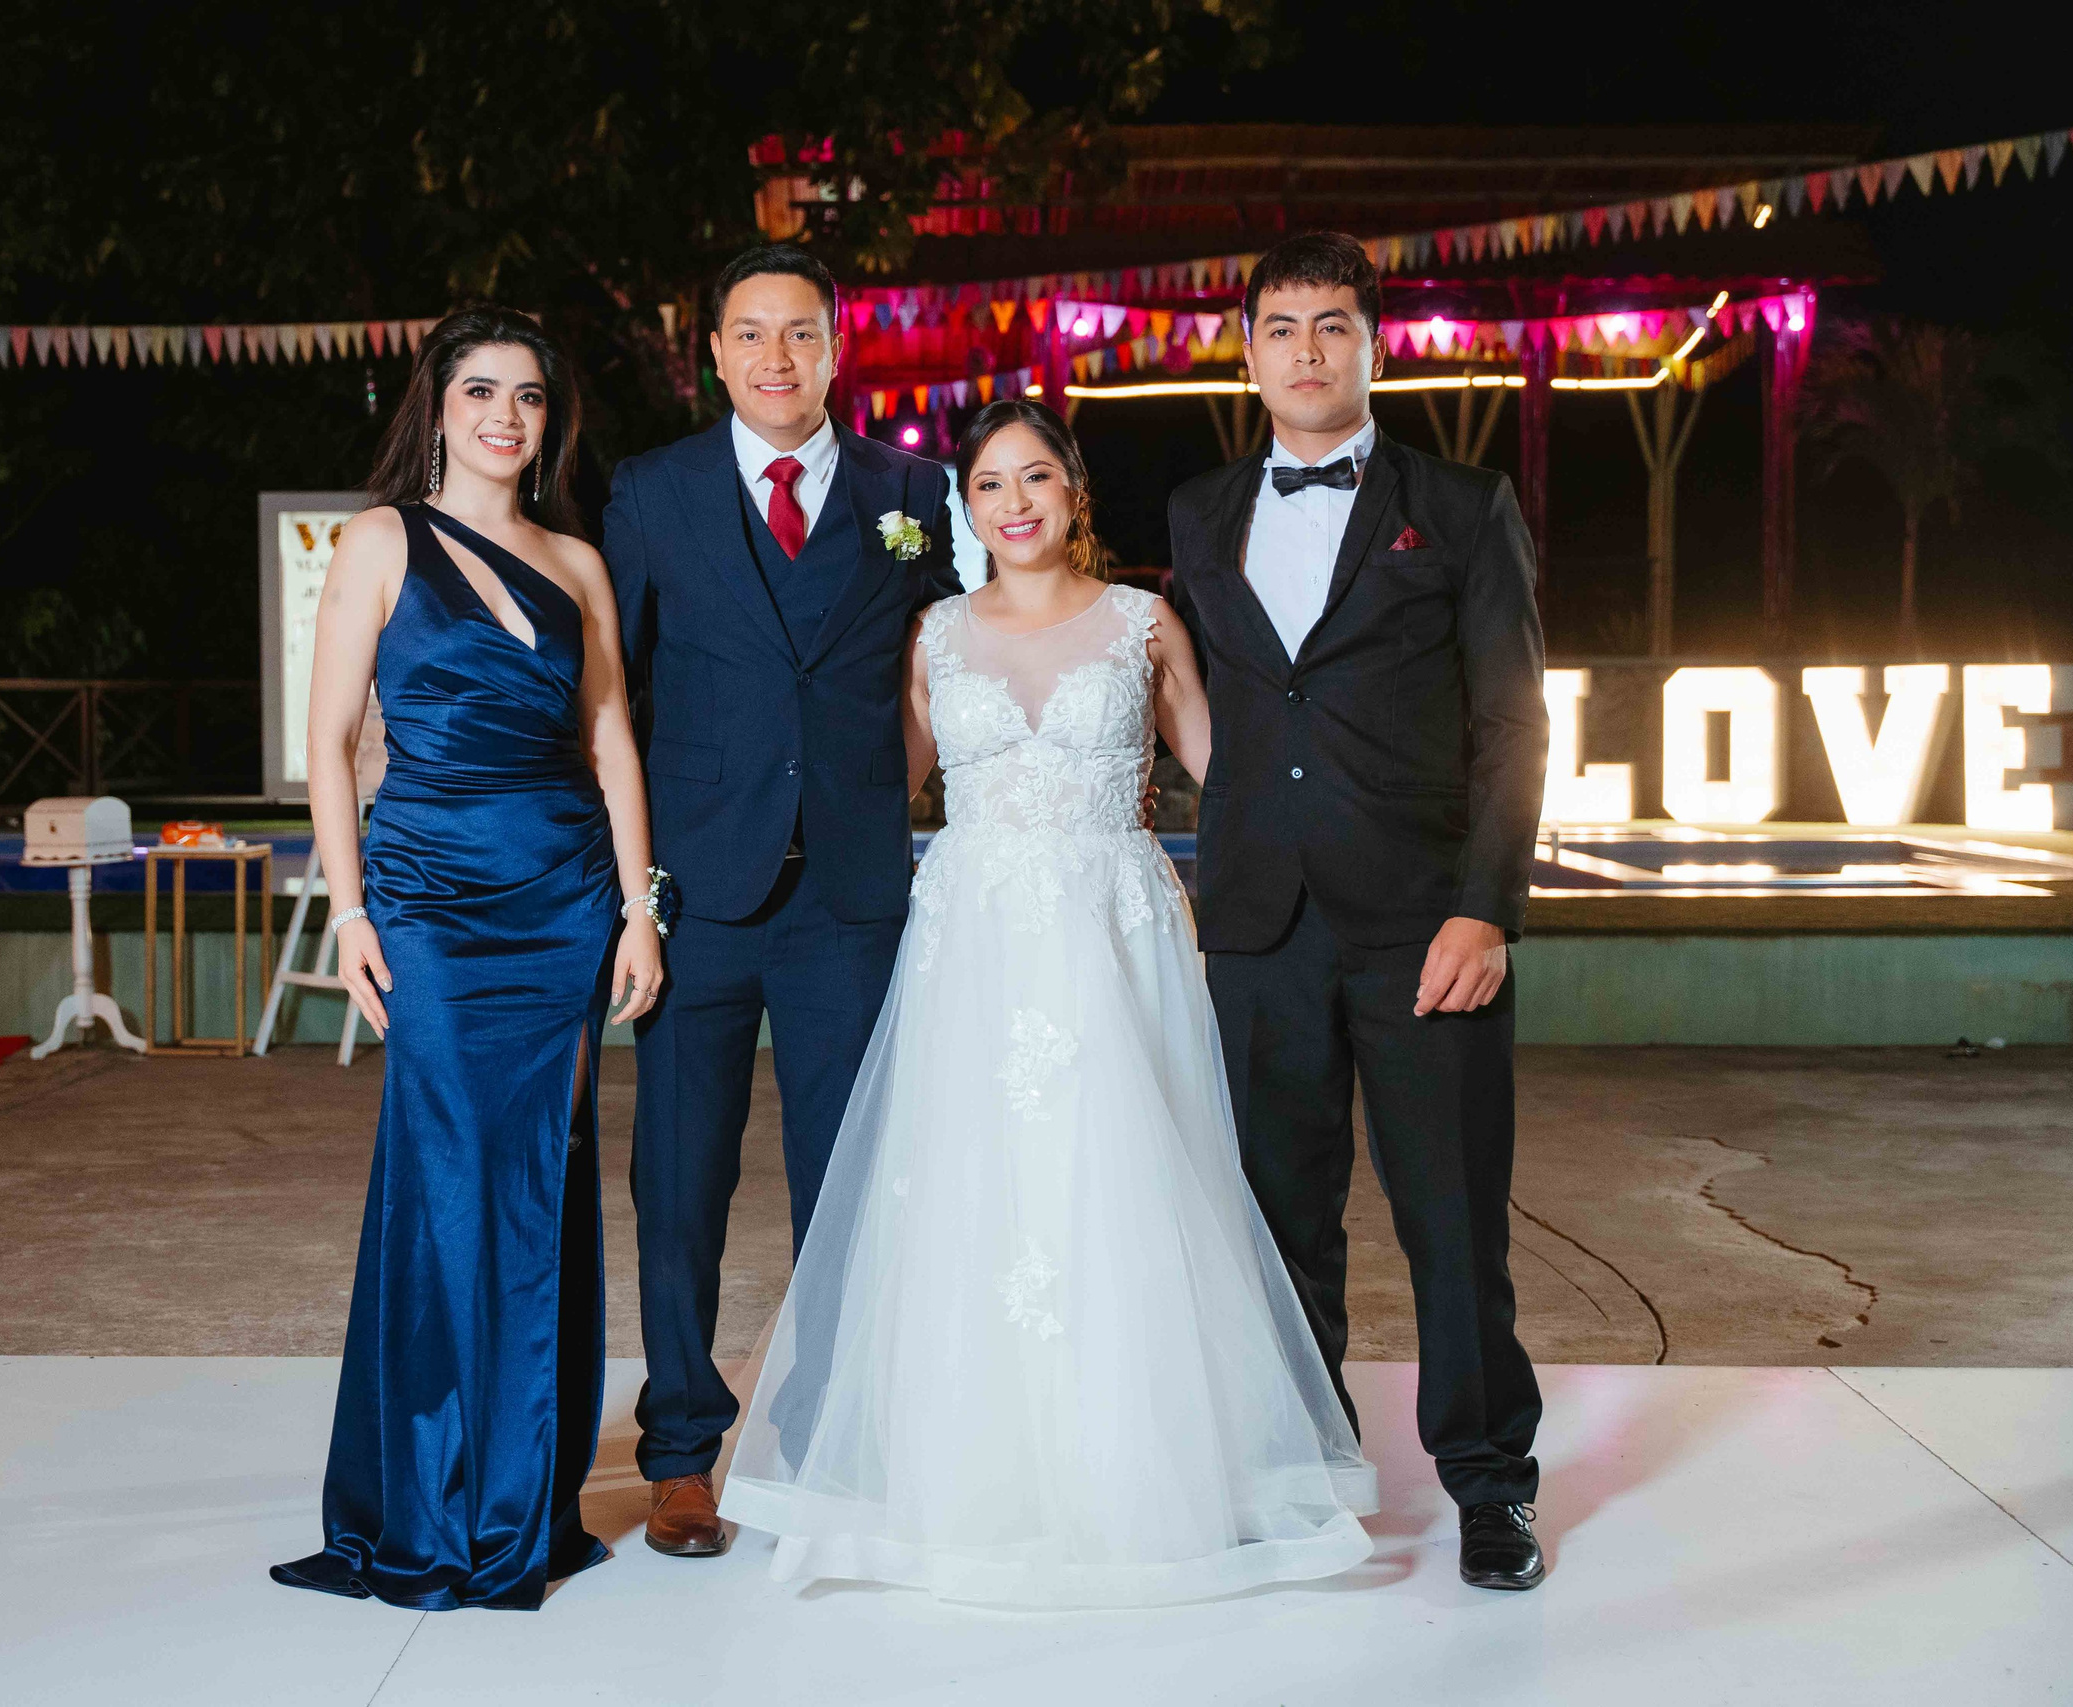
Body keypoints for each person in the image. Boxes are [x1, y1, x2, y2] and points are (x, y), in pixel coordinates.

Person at [719, 400, 1376, 1608]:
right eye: (987, 484)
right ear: (964, 509)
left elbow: (1233, 774)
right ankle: (969, 1471)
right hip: (971, 940)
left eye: (1034, 477)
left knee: (1120, 1180)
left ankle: (1139, 1469)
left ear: (1073, 491)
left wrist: (1354, 866)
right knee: (975, 1186)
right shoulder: (931, 634)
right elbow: (876, 789)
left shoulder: (1143, 622)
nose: (1012, 502)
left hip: (1110, 933)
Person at [1166, 232, 1552, 1591]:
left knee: (1453, 1221)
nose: (1307, 350)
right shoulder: (1198, 511)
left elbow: (1513, 720)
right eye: (1281, 327)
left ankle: (1491, 1486)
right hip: (1257, 924)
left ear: (1374, 346)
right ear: (1247, 351)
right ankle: (1298, 1479)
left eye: (1333, 325)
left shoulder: (1461, 504)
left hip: (1422, 927)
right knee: (1277, 1228)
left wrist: (1486, 909)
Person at [271, 306, 665, 1611]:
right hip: (431, 902)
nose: (507, 415)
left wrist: (639, 908)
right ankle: (431, 1500)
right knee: (448, 1176)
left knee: (537, 1180)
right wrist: (351, 911)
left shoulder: (577, 562)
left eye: (529, 396)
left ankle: (518, 1497)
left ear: (552, 420)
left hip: (563, 899)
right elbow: (332, 743)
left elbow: (610, 743)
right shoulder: (380, 541)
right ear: (437, 405)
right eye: (482, 390)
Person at [603, 245, 963, 1558]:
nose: (776, 357)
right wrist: (625, 890)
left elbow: (957, 659)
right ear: (714, 352)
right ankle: (680, 1456)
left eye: (800, 333)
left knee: (851, 1184)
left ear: (837, 348)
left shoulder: (911, 492)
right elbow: (611, 699)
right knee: (679, 1182)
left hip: (851, 897)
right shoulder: (651, 492)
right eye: (750, 333)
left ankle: (828, 1442)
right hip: (696, 894)